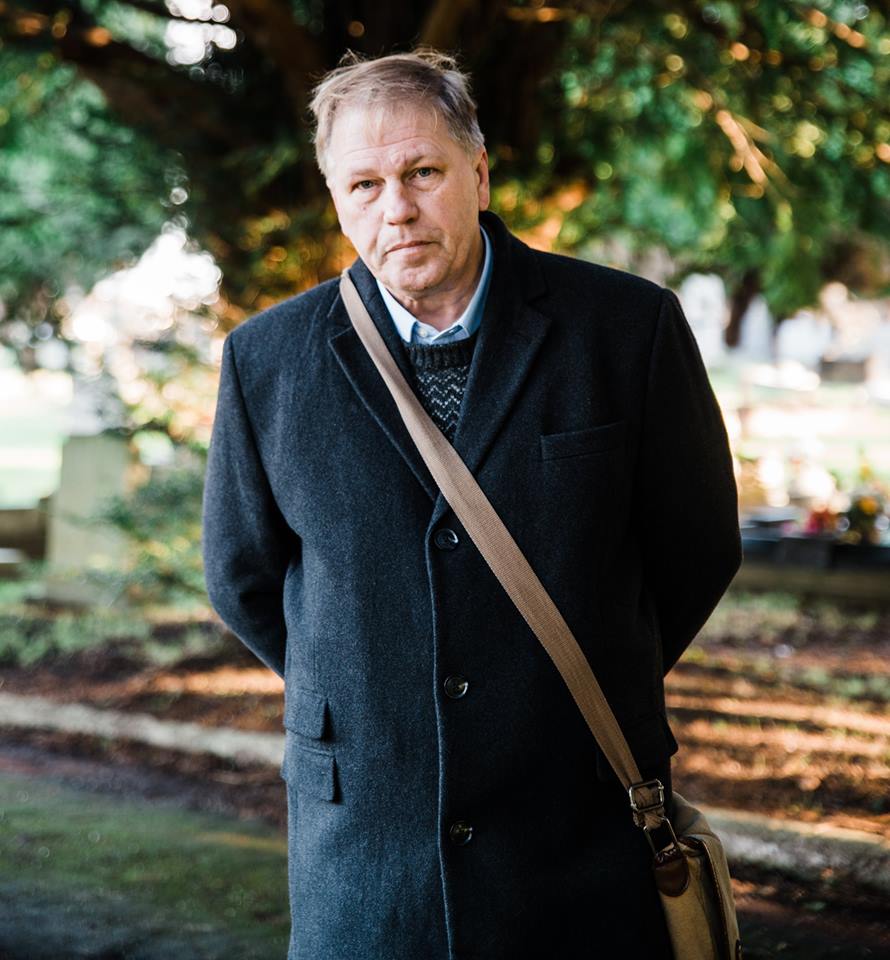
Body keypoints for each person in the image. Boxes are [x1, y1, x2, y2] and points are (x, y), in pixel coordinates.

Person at [201, 48, 742, 960]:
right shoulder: (266, 361)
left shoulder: (627, 328)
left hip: (579, 827)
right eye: (363, 185)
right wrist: (374, 689)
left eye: (421, 172)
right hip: (365, 846)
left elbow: (695, 548)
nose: (396, 209)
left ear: (479, 172)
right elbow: (242, 574)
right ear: (336, 197)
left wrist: (571, 681)